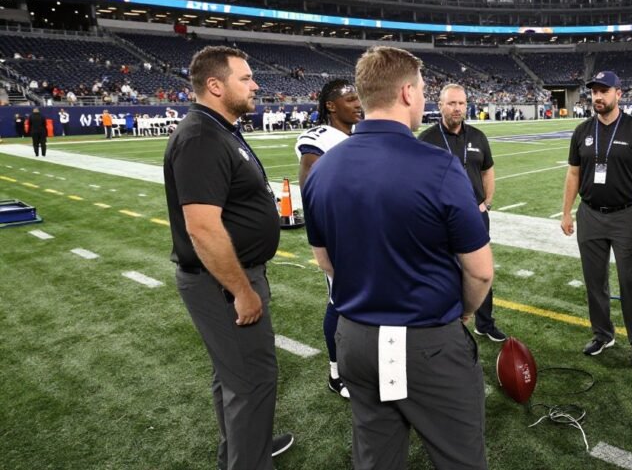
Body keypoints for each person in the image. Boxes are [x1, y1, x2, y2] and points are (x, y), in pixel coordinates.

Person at [302, 46, 493, 470]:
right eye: (423, 90)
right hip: (427, 340)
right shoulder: (439, 166)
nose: (424, 99)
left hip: (355, 339)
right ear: (407, 92)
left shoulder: (323, 170)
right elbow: (480, 272)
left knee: (376, 459)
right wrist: (462, 312)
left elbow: (325, 262)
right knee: (461, 457)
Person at [163, 46, 293, 470]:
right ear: (215, 85)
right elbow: (201, 227)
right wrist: (240, 289)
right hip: (222, 283)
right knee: (253, 380)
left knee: (233, 378)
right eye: (246, 78)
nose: (256, 84)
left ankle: (238, 450)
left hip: (228, 277)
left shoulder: (219, 128)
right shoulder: (201, 136)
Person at [560, 70, 632, 370]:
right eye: (594, 91)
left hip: (626, 215)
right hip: (590, 213)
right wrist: (566, 211)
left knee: (631, 282)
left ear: (619, 93)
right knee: (595, 281)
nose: (598, 97)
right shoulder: (582, 130)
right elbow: (573, 173)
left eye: (604, 91)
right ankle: (603, 334)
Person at [419, 83, 505, 342]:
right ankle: (447, 324)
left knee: (480, 269)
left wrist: (487, 202)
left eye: (461, 103)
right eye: (451, 103)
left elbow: (488, 169)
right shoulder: (427, 140)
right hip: (441, 219)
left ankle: (485, 323)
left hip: (476, 215)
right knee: (444, 271)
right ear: (440, 105)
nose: (457, 108)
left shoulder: (478, 136)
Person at [294, 79, 362, 399]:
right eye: (351, 99)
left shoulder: (359, 134)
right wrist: (318, 244)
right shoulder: (321, 137)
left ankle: (360, 361)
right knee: (339, 304)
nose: (358, 103)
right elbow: (309, 187)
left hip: (365, 233)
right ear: (331, 106)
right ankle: (336, 373)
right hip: (339, 240)